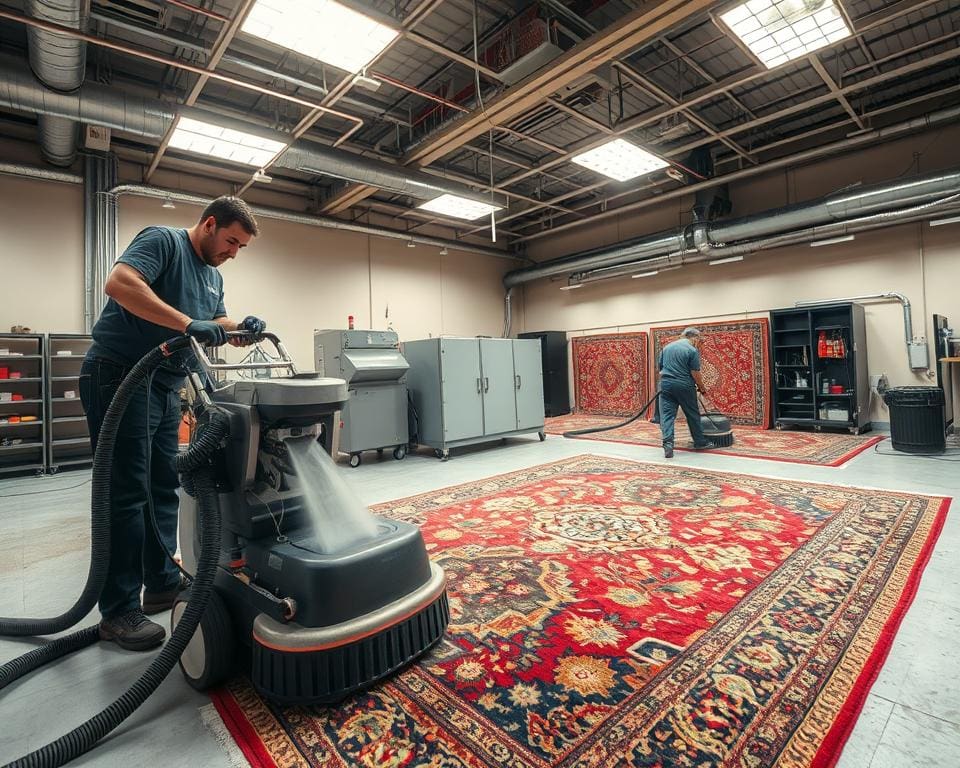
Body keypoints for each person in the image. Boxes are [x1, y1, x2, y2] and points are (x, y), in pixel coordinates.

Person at [80, 196, 267, 651]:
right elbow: (120, 284)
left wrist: (239, 326)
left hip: (164, 383)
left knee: (164, 484)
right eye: (231, 242)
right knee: (124, 492)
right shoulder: (163, 241)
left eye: (241, 247)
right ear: (208, 225)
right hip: (119, 373)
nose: (233, 253)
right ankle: (118, 611)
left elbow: (215, 321)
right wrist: (188, 324)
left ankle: (160, 582)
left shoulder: (212, 274)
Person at [657, 327, 716, 459]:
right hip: (684, 385)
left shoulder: (666, 348)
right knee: (692, 414)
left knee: (667, 416)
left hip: (665, 385)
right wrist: (702, 388)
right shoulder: (692, 350)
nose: (699, 343)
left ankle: (668, 444)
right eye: (699, 340)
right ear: (694, 338)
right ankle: (700, 442)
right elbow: (695, 372)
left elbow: (660, 369)